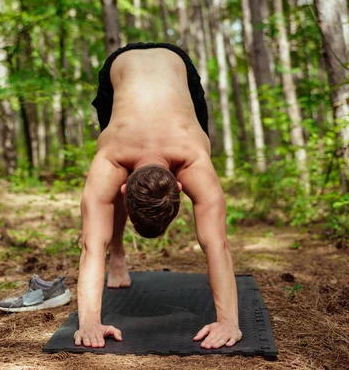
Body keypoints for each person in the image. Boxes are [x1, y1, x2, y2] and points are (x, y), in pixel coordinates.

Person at [74, 42, 242, 350]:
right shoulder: (111, 159)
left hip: (177, 66)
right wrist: (89, 322)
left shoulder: (193, 157)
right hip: (119, 69)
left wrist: (229, 320)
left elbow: (217, 244)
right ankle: (119, 257)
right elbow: (91, 247)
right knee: (102, 207)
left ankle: (120, 257)